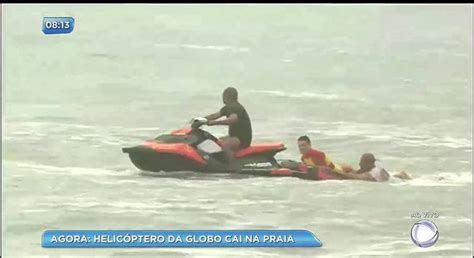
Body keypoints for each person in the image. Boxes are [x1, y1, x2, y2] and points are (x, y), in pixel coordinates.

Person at [204, 87, 252, 160]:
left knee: (225, 146)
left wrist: (214, 123)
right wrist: (201, 119)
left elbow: (232, 120)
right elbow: (215, 115)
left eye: (223, 95)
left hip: (242, 138)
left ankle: (232, 165)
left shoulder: (236, 108)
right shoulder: (227, 108)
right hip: (234, 136)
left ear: (227, 96)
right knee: (217, 141)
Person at [340, 153, 412, 182]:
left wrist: (341, 172)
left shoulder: (372, 173)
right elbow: (358, 173)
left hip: (392, 181)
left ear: (368, 163)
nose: (359, 164)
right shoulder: (374, 167)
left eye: (361, 162)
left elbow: (359, 177)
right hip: (390, 177)